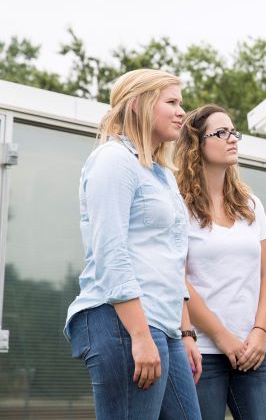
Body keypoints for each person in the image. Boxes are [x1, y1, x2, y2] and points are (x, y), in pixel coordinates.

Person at [64, 68, 202, 420]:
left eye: (180, 103)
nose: (181, 112)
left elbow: (171, 260)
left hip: (164, 326)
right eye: (171, 102)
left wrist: (184, 331)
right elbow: (112, 253)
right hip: (122, 322)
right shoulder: (113, 161)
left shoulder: (162, 174)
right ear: (139, 104)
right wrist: (140, 335)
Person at [174, 104, 266, 420]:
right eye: (221, 133)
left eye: (234, 132)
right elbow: (177, 279)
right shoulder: (178, 205)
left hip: (254, 350)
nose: (232, 138)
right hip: (203, 351)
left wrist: (260, 332)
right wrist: (222, 337)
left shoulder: (251, 204)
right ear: (197, 143)